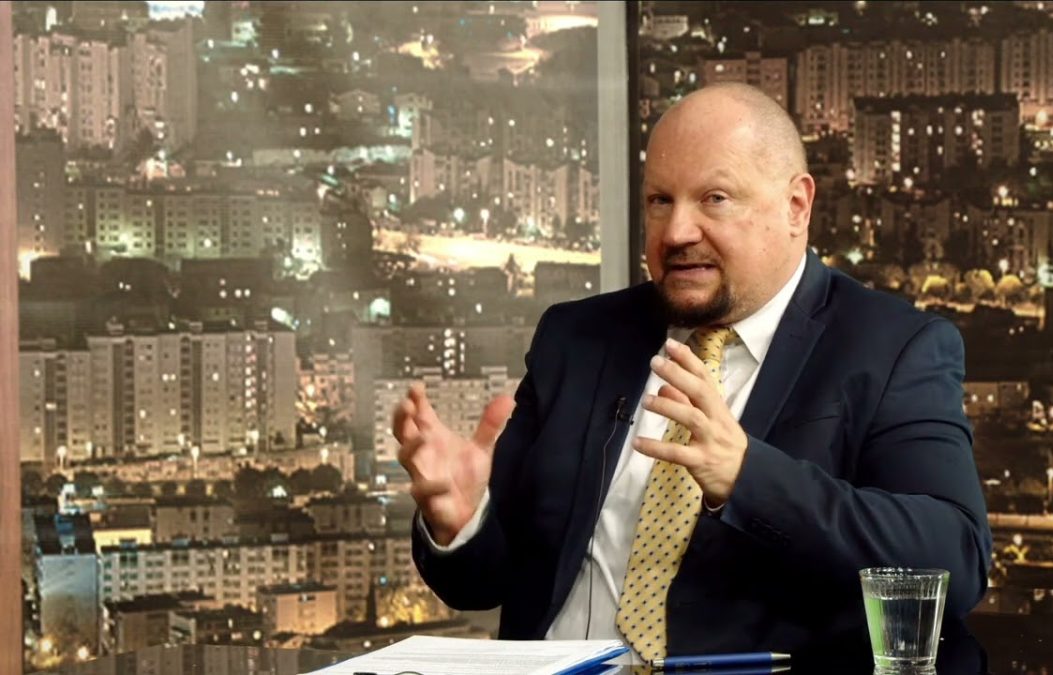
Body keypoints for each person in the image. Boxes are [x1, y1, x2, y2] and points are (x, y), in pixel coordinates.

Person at [394, 82, 991, 660]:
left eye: (714, 198)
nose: (677, 232)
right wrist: (463, 521)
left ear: (796, 206)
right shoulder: (576, 338)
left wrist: (747, 476)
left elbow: (954, 560)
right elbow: (485, 580)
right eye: (660, 201)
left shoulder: (891, 349)